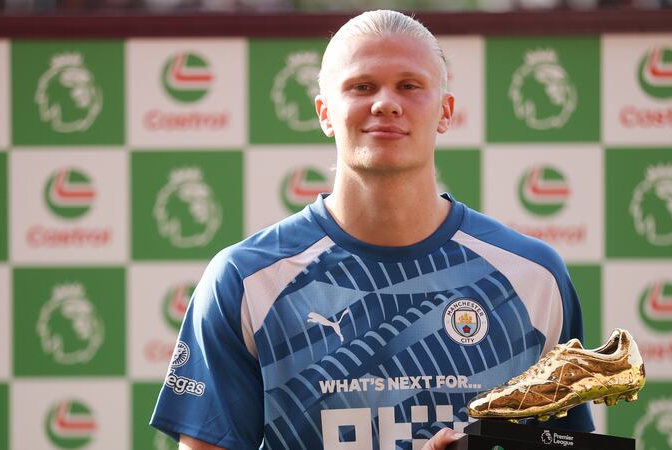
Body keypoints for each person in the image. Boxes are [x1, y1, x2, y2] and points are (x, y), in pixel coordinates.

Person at [150, 9, 594, 450]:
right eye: (362, 86)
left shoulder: (534, 278)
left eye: (409, 85)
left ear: (445, 111)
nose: (385, 102)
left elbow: (563, 442)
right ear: (325, 113)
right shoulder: (244, 280)